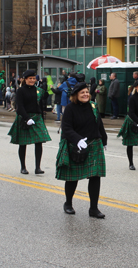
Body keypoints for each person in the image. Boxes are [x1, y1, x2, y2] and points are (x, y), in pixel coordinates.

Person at [56, 82, 108, 218]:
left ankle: (94, 208)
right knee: (73, 178)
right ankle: (68, 203)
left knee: (95, 176)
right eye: (82, 93)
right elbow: (66, 128)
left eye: (87, 92)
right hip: (77, 146)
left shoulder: (93, 105)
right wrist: (78, 140)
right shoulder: (70, 108)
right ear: (75, 95)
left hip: (94, 144)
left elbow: (99, 123)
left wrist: (104, 139)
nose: (85, 94)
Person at [8, 70, 51, 174]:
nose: (32, 80)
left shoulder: (38, 90)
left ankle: (38, 168)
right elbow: (19, 107)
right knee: (23, 144)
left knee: (39, 141)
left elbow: (43, 100)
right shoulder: (21, 91)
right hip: (24, 117)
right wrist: (27, 118)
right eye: (30, 78)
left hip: (37, 118)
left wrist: (49, 87)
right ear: (25, 79)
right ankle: (23, 167)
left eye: (33, 78)